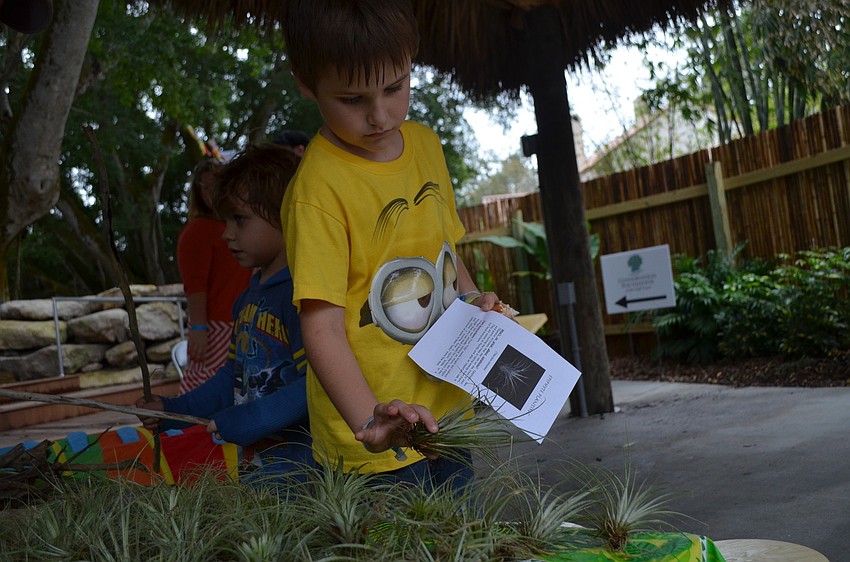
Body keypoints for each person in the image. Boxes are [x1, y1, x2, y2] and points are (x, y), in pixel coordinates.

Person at [281, 0, 502, 488]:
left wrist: (473, 303)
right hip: (374, 442)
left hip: (448, 414)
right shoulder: (317, 191)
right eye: (352, 99)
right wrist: (369, 421)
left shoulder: (425, 145)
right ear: (305, 81)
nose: (380, 115)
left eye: (394, 88)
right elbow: (321, 329)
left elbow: (448, 255)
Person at [138, 143, 310, 477]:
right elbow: (230, 378)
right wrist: (173, 410)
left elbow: (316, 386)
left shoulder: (302, 296)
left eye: (239, 220)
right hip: (257, 466)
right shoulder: (246, 299)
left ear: (285, 213)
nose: (227, 233)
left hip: (303, 470)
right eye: (225, 220)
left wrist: (249, 421)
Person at [177, 159, 253, 394]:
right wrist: (199, 328)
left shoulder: (241, 226)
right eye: (208, 187)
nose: (216, 191)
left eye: (222, 184)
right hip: (216, 328)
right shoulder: (197, 231)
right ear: (199, 191)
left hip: (241, 321)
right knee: (207, 389)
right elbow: (195, 286)